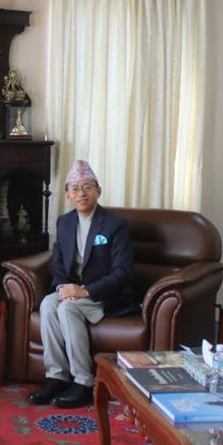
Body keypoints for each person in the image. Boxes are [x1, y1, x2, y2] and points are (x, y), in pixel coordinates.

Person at [27, 159, 132, 409]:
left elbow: (122, 272)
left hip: (104, 294)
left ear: (98, 191)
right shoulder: (65, 222)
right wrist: (64, 287)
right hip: (74, 289)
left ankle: (84, 382)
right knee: (50, 304)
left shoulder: (115, 224)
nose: (81, 193)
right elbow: (57, 264)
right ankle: (56, 376)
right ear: (67, 195)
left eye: (87, 187)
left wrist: (83, 291)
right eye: (75, 188)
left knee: (67, 307)